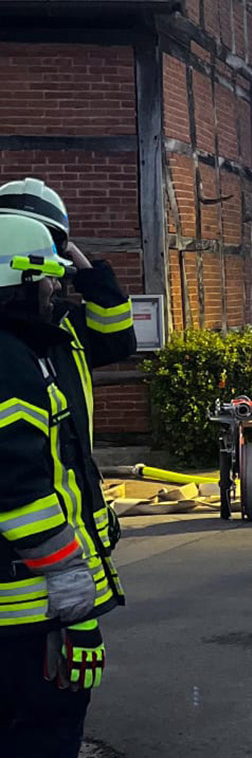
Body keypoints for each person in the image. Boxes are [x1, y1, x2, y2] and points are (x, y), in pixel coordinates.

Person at [0, 215, 121, 757]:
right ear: (20, 282)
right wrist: (78, 611)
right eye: (47, 278)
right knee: (44, 733)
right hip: (27, 614)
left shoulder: (24, 350)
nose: (55, 289)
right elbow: (22, 499)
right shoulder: (11, 363)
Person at [0, 177, 135, 582]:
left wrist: (80, 264)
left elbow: (118, 339)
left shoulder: (62, 320)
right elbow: (16, 475)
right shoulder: (12, 345)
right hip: (33, 533)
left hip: (67, 487)